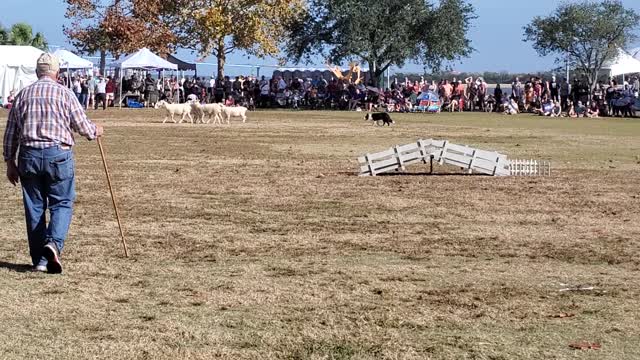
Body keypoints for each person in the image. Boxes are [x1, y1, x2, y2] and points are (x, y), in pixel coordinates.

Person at [2, 53, 103, 274]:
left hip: (28, 156)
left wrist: (9, 161)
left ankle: (40, 260)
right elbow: (84, 128)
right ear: (57, 72)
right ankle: (53, 244)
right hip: (58, 155)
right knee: (62, 203)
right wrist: (96, 130)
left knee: (34, 208)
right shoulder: (65, 94)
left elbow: (11, 132)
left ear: (37, 72)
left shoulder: (22, 95)